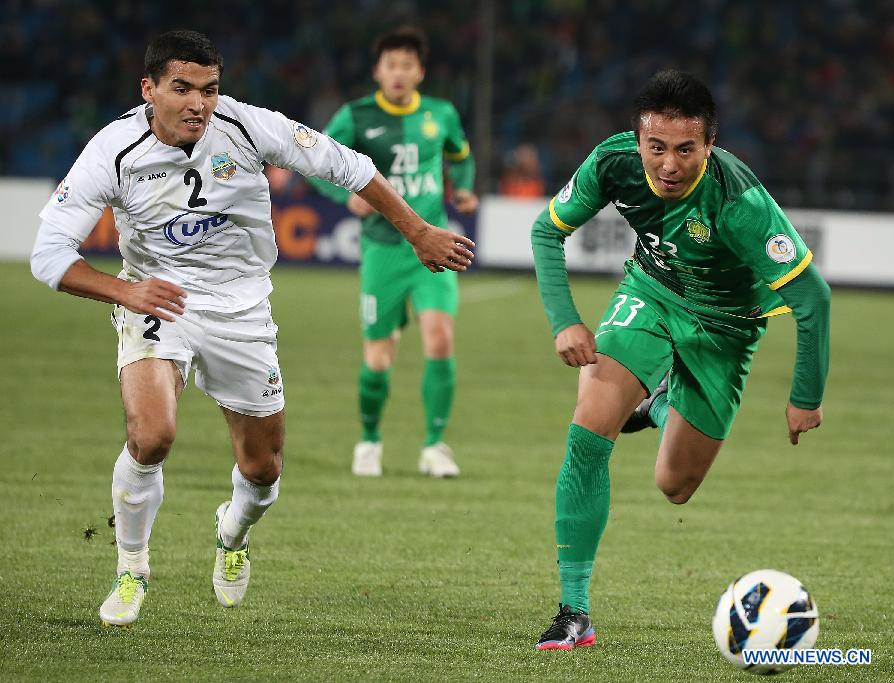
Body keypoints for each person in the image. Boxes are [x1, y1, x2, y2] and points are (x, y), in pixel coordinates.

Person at [29, 30, 474, 628]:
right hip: (159, 301)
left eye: (209, 90)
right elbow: (49, 255)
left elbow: (348, 164)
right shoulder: (113, 149)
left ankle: (231, 533)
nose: (197, 104)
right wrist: (127, 290)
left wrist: (417, 230)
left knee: (263, 470)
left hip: (242, 309)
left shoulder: (246, 127)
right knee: (152, 436)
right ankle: (131, 567)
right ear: (149, 89)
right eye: (181, 89)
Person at [530, 70, 830, 650]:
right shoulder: (613, 162)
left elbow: (812, 296)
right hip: (650, 294)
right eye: (656, 147)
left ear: (708, 146)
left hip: (726, 328)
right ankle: (575, 611)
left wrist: (806, 396)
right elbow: (547, 231)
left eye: (686, 149)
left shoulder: (738, 201)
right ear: (638, 139)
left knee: (675, 485)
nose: (668, 164)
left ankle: (662, 401)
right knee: (588, 431)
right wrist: (565, 318)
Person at [309, 26, 478, 478]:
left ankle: (435, 446)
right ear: (377, 72)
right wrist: (345, 198)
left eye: (408, 65)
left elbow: (461, 154)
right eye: (392, 65)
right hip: (383, 252)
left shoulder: (440, 114)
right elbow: (310, 161)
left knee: (440, 340)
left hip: (433, 249)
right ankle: (369, 441)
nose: (399, 73)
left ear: (420, 71)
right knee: (379, 359)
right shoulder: (357, 116)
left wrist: (462, 189)